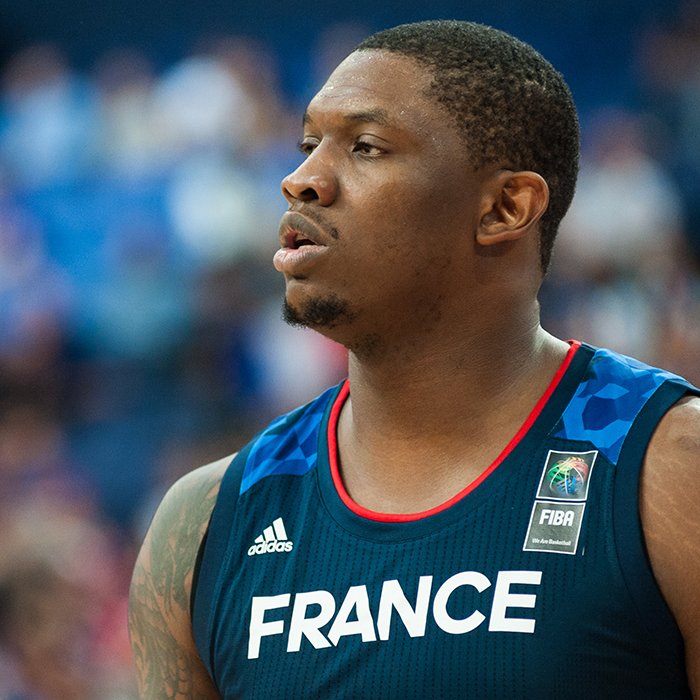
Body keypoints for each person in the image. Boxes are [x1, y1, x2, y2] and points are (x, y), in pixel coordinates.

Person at [128, 20, 700, 699]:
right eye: (308, 145)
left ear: (505, 207)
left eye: (365, 147)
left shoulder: (671, 466)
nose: (301, 180)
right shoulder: (204, 525)